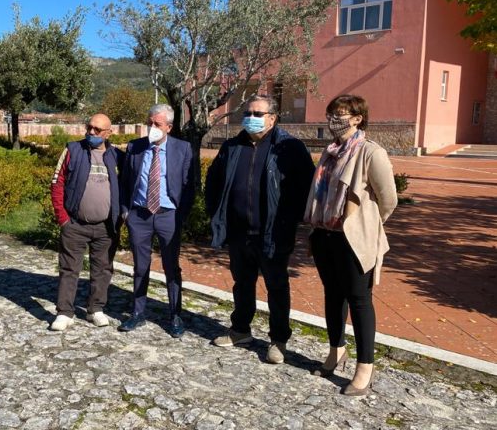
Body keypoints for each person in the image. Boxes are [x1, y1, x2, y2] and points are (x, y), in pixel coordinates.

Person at [205, 95, 315, 364]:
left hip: (273, 235)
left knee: (277, 287)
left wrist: (291, 220)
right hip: (239, 232)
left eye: (257, 113)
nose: (251, 118)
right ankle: (240, 330)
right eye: (248, 112)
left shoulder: (290, 148)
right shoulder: (232, 146)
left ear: (273, 118)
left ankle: (278, 340)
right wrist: (217, 215)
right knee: (242, 284)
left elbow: (307, 188)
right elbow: (214, 183)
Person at [305, 94, 397, 395]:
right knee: (333, 295)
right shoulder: (329, 152)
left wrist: (364, 225)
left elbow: (388, 200)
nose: (334, 119)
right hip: (324, 235)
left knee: (359, 301)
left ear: (357, 118)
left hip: (353, 240)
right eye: (331, 113)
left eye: (341, 114)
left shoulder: (371, 153)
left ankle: (365, 368)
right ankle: (336, 351)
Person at [118, 104, 195, 338]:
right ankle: (138, 313)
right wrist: (125, 212)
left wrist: (180, 215)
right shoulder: (135, 147)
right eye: (149, 122)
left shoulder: (183, 149)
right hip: (139, 216)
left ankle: (175, 315)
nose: (152, 127)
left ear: (169, 127)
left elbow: (189, 185)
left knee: (171, 267)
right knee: (140, 266)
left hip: (168, 216)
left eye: (157, 124)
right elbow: (125, 182)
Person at [49, 113, 125, 331]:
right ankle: (65, 312)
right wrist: (62, 218)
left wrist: (119, 218)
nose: (91, 132)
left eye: (97, 130)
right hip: (74, 224)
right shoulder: (73, 150)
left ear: (108, 133)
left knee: (102, 269)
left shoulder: (117, 157)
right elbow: (57, 183)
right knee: (69, 269)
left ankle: (96, 309)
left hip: (106, 227)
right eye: (89, 127)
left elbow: (126, 189)